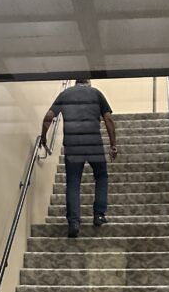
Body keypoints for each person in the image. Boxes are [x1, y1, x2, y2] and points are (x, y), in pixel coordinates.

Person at [40, 78, 117, 238]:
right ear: (88, 82)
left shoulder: (65, 94)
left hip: (73, 145)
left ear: (75, 82)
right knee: (101, 176)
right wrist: (112, 145)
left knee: (73, 182)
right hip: (94, 143)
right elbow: (108, 119)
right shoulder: (96, 94)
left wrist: (44, 137)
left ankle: (74, 222)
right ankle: (99, 215)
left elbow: (48, 116)